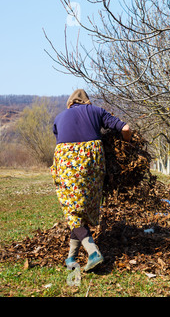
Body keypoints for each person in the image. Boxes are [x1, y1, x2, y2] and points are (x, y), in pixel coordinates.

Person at [51, 89, 132, 272]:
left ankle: (93, 252)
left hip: (67, 161)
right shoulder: (97, 111)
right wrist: (127, 146)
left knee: (72, 210)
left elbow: (59, 139)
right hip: (92, 161)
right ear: (86, 101)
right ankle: (71, 258)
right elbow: (125, 129)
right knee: (83, 208)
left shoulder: (59, 117)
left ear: (70, 103)